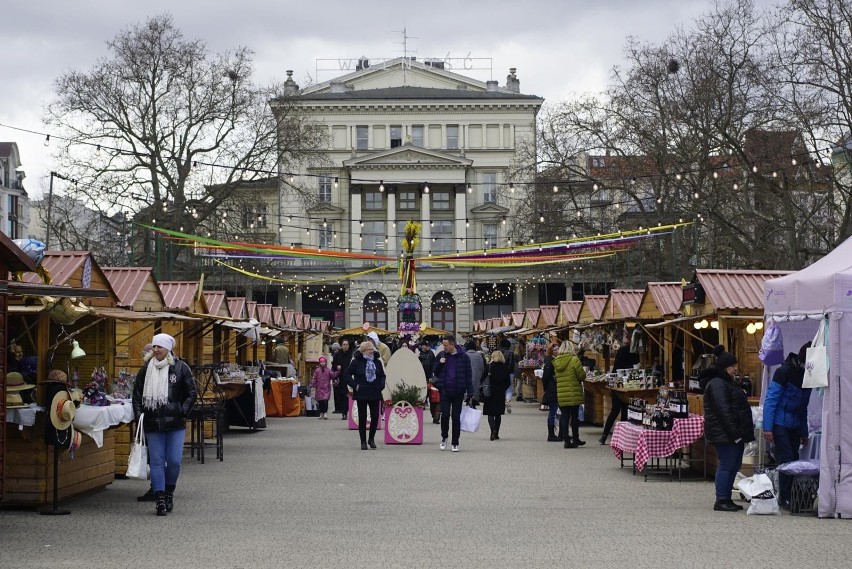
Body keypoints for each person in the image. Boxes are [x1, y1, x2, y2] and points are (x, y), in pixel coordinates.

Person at [132, 333, 197, 516]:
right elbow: (136, 396)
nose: (156, 350)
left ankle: (169, 492)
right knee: (157, 463)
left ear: (168, 348)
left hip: (175, 423)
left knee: (174, 461)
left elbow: (192, 393)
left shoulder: (180, 368)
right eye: (154, 347)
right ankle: (159, 499)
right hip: (152, 422)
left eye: (159, 347)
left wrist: (181, 411)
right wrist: (140, 417)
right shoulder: (146, 370)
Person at [763, 342, 812, 510]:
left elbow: (804, 407)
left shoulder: (809, 375)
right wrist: (768, 427)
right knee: (787, 459)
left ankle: (791, 495)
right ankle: (784, 497)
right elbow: (770, 401)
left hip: (795, 423)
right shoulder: (783, 371)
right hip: (780, 422)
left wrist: (804, 431)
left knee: (795, 459)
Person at [703, 350, 755, 512]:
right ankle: (721, 499)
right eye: (732, 366)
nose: (735, 369)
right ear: (725, 367)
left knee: (733, 465)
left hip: (731, 432)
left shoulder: (726, 382)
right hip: (725, 434)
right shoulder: (718, 384)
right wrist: (735, 435)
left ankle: (726, 497)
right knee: (727, 465)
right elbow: (723, 411)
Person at [432, 334, 474, 452]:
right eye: (443, 345)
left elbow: (468, 375)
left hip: (458, 392)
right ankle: (444, 437)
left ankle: (455, 442)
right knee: (445, 415)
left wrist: (470, 391)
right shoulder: (441, 355)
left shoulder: (464, 357)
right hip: (445, 391)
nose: (443, 347)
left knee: (456, 417)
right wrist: (440, 363)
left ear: (452, 344)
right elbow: (435, 372)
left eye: (445, 345)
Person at [343, 341, 386, 450]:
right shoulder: (357, 361)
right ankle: (363, 441)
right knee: (362, 418)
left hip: (375, 391)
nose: (371, 351)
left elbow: (382, 375)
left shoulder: (377, 361)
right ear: (363, 351)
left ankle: (371, 439)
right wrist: (355, 385)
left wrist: (381, 385)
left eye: (372, 349)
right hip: (361, 392)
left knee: (375, 417)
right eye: (369, 349)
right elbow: (346, 374)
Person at [599, 343, 640, 445]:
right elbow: (636, 367)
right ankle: (623, 438)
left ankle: (604, 436)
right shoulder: (634, 353)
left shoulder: (621, 351)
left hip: (616, 384)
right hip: (628, 385)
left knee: (615, 411)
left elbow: (617, 367)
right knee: (625, 411)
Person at [554, 342, 587, 448]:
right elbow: (581, 376)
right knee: (574, 417)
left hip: (561, 393)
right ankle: (576, 438)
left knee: (564, 417)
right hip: (573, 392)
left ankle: (566, 441)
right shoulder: (574, 360)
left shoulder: (557, 361)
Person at [482, 349, 511, 441]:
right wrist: (503, 388)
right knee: (498, 413)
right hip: (500, 392)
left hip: (489, 392)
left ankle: (492, 430)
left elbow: (482, 378)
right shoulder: (505, 368)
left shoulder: (489, 367)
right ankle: (496, 432)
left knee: (490, 413)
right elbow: (508, 382)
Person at [541, 344, 561, 442]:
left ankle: (561, 433)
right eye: (555, 349)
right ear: (551, 351)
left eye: (558, 348)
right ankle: (551, 434)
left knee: (560, 412)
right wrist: (546, 388)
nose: (557, 350)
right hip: (552, 389)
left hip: (555, 389)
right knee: (553, 412)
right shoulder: (549, 361)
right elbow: (545, 377)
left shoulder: (555, 360)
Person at [332, 339, 353, 420]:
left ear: (348, 345)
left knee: (348, 395)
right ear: (341, 345)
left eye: (346, 344)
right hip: (340, 377)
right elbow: (333, 363)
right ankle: (342, 411)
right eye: (344, 344)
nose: (345, 346)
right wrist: (337, 366)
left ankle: (347, 412)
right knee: (342, 395)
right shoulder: (337, 354)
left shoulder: (351, 354)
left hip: (349, 376)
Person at [310, 356, 336, 420]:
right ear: (319, 363)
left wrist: (337, 372)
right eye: (321, 362)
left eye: (324, 362)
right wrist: (313, 384)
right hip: (319, 388)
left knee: (325, 401)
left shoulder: (328, 370)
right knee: (320, 401)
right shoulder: (317, 370)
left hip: (326, 388)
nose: (322, 363)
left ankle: (325, 413)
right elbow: (314, 378)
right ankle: (321, 412)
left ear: (326, 362)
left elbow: (332, 375)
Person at [464, 339, 486, 409]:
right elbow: (482, 368)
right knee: (475, 392)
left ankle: (468, 399)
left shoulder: (464, 355)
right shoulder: (479, 355)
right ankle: (473, 402)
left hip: (466, 378)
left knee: (468, 391)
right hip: (477, 378)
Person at [498, 339, 516, 411]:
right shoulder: (510, 353)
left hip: (499, 373)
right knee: (509, 389)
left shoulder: (497, 352)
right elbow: (512, 364)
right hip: (509, 373)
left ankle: (501, 403)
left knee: (500, 388)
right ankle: (507, 401)